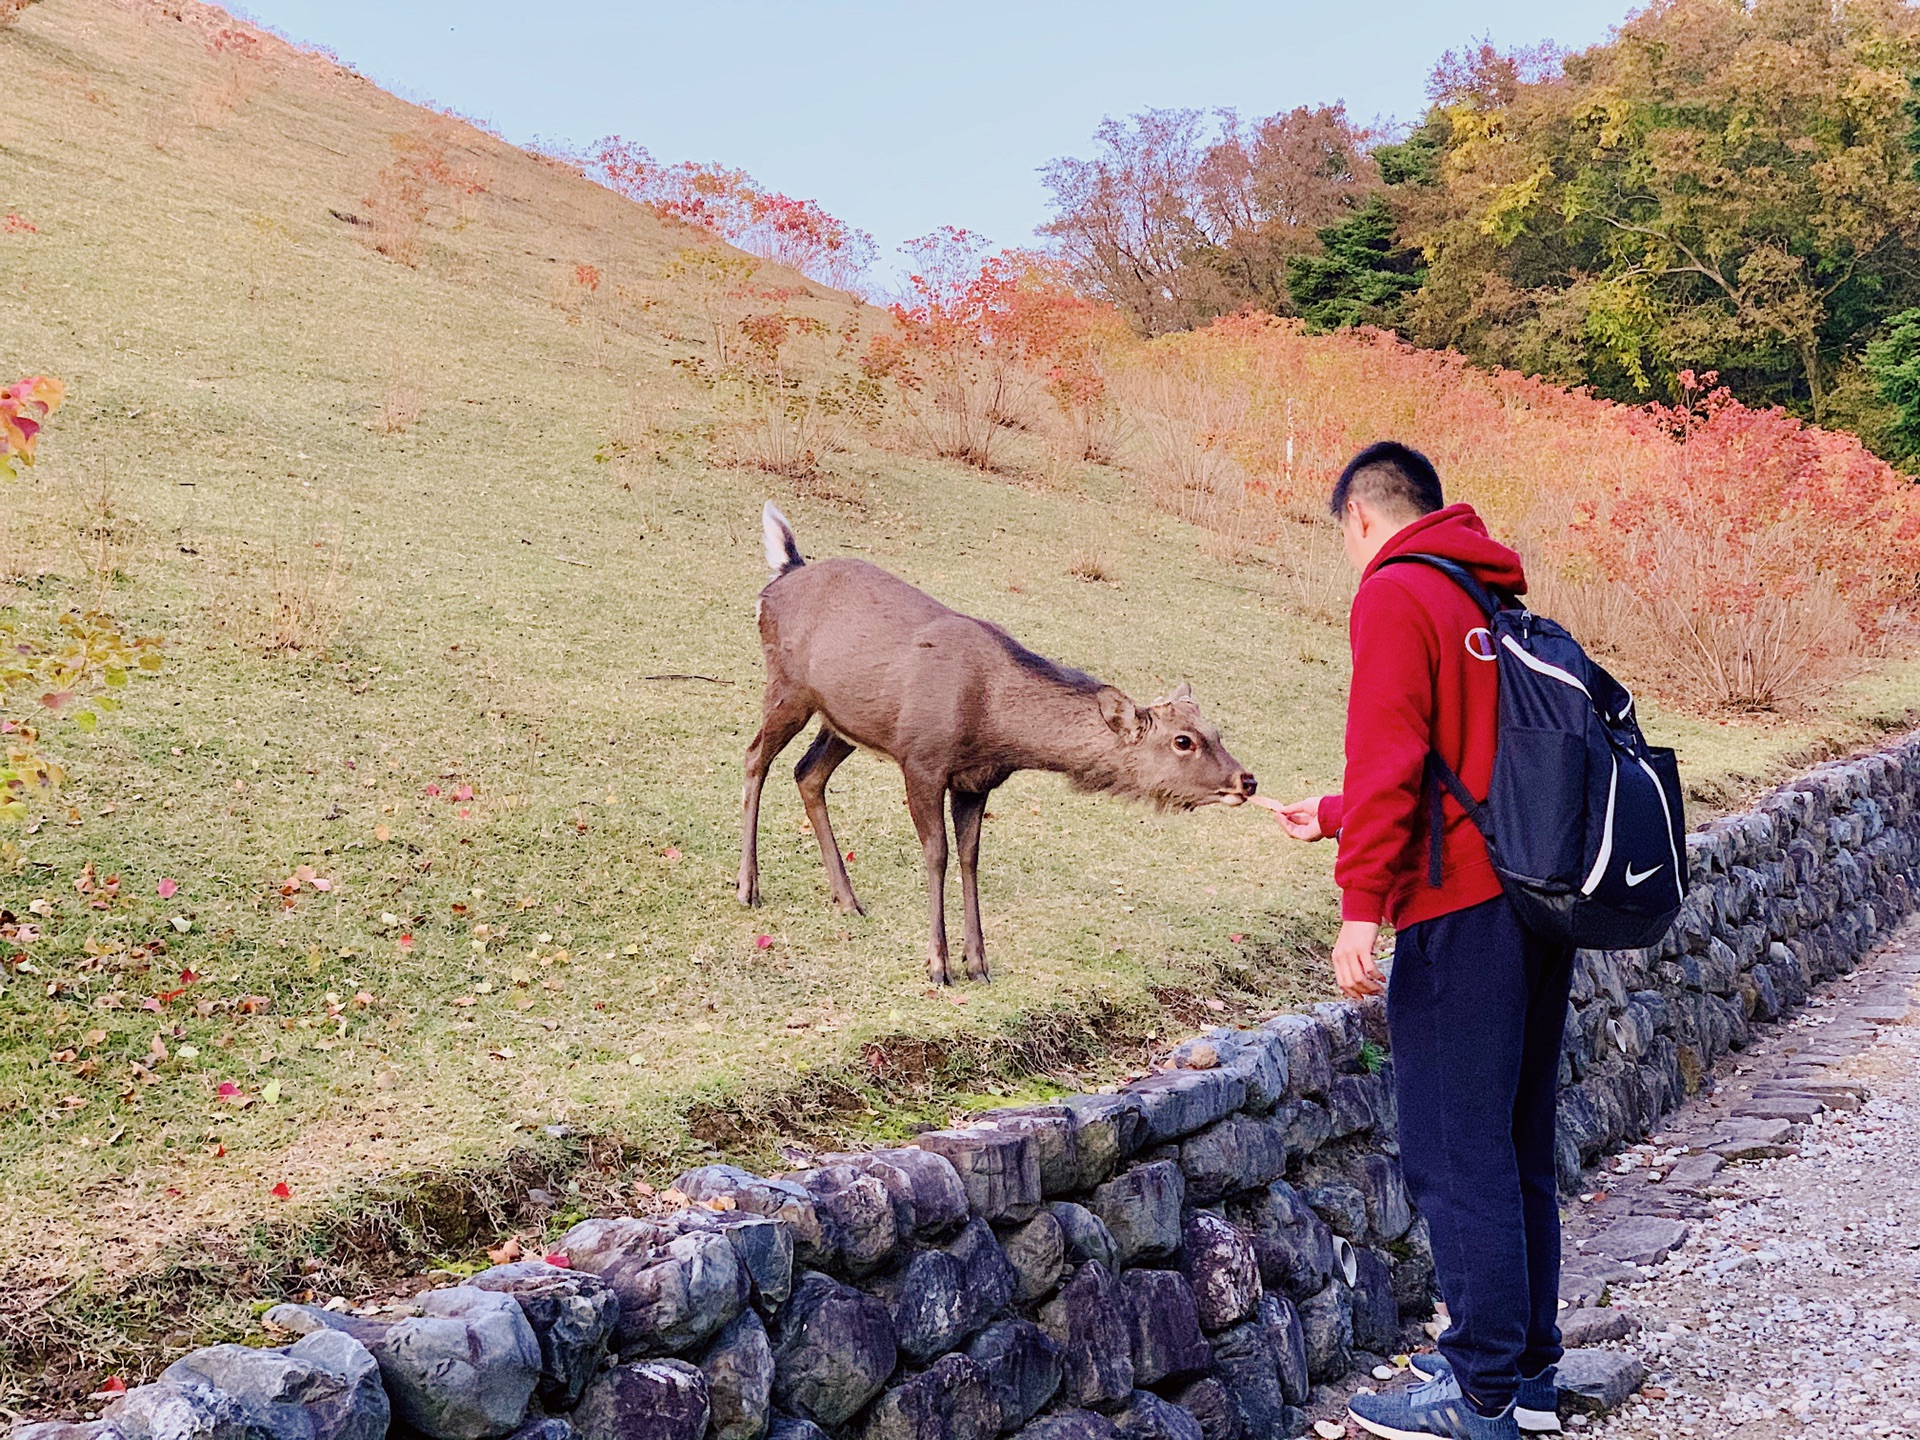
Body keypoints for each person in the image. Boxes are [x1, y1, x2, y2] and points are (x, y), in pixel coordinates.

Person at [1271, 441, 1571, 1440]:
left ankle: (1476, 1389)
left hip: (1457, 907)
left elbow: (1396, 749)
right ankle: (1527, 1379)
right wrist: (1335, 810)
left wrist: (1361, 905)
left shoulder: (1396, 592)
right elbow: (1462, 757)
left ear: (1359, 518)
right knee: (1518, 1140)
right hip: (1532, 901)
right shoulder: (1483, 592)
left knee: (1454, 1148)